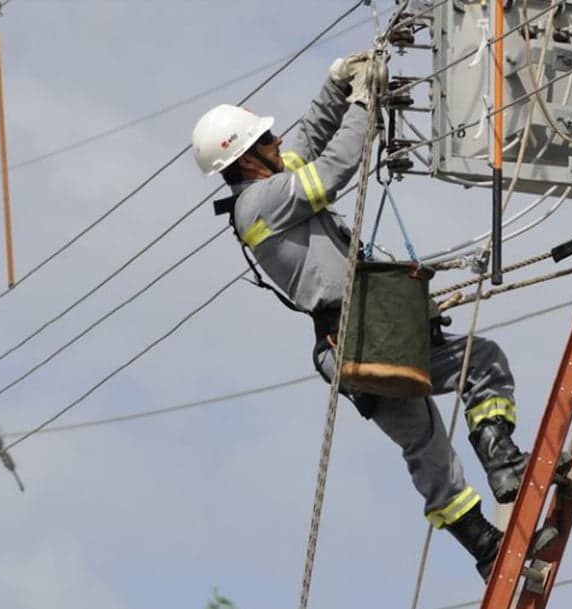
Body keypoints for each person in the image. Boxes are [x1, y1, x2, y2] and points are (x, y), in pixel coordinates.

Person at [190, 51, 534, 579]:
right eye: (266, 139)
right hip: (357, 336)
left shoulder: (270, 187)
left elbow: (309, 141)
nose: (277, 141)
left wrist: (337, 86)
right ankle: (495, 505)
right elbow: (332, 170)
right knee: (454, 399)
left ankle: (494, 503)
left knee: (449, 407)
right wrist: (363, 103)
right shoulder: (260, 203)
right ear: (245, 158)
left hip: (363, 334)